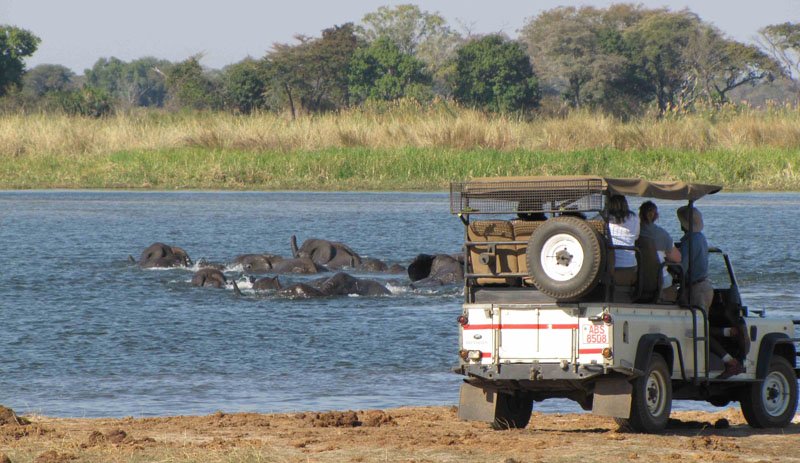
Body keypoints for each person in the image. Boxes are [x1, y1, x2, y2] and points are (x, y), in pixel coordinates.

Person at [676, 205, 743, 379]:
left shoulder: (688, 241)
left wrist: (670, 266)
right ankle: (727, 332)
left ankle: (730, 362)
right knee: (700, 327)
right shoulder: (700, 238)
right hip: (705, 286)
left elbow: (681, 268)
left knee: (699, 330)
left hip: (696, 289)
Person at [639, 201, 681, 288]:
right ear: (656, 216)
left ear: (640, 215)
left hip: (639, 277)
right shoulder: (662, 234)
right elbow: (677, 258)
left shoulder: (635, 231)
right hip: (659, 278)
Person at [607, 195, 639, 285]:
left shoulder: (603, 219)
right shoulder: (634, 218)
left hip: (611, 266)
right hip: (631, 265)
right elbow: (636, 236)